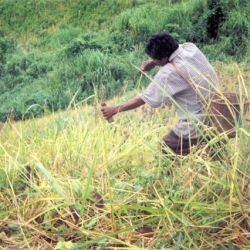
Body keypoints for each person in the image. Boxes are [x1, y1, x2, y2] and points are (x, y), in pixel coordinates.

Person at [101, 32, 219, 155]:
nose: (153, 60)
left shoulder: (168, 73)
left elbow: (144, 98)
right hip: (218, 117)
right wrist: (155, 62)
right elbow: (176, 53)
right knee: (212, 153)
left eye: (154, 58)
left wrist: (115, 109)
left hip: (196, 125)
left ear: (163, 58)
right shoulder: (191, 48)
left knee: (165, 149)